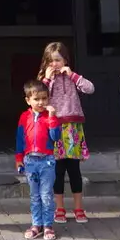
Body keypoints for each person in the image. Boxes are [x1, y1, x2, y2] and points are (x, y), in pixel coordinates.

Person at [38, 41, 94, 223]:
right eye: (50, 61)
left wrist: (74, 76)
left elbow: (90, 88)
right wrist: (47, 79)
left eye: (57, 60)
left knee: (74, 170)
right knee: (57, 171)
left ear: (65, 60)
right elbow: (38, 99)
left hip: (72, 128)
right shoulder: (45, 80)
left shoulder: (72, 77)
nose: (54, 64)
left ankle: (79, 208)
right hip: (54, 127)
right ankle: (59, 208)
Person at [15, 80, 61, 240]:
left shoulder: (50, 117)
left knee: (46, 195)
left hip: (47, 161)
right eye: (37, 99)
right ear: (28, 100)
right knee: (34, 196)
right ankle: (36, 225)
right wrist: (19, 159)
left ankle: (48, 225)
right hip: (30, 161)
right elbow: (20, 139)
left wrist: (53, 117)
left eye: (44, 98)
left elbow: (56, 137)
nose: (41, 102)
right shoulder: (24, 117)